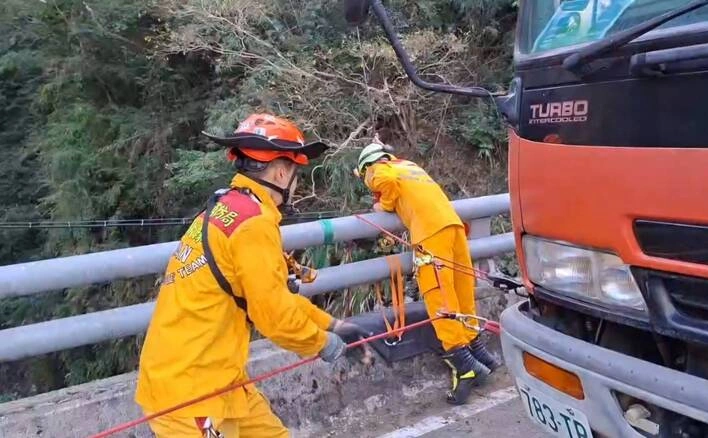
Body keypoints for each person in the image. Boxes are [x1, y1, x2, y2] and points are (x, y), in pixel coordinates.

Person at [135, 113, 369, 438]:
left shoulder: (225, 207)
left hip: (221, 380)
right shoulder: (253, 224)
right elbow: (274, 317)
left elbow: (272, 297)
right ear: (281, 171)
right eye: (296, 175)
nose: (296, 184)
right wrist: (326, 344)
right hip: (191, 395)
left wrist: (334, 325)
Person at [355, 142, 502, 405]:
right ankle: (481, 356)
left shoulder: (378, 169)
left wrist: (384, 205)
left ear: (367, 164)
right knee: (460, 295)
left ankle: (464, 366)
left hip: (430, 235)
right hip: (453, 227)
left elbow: (385, 181)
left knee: (440, 300)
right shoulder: (410, 166)